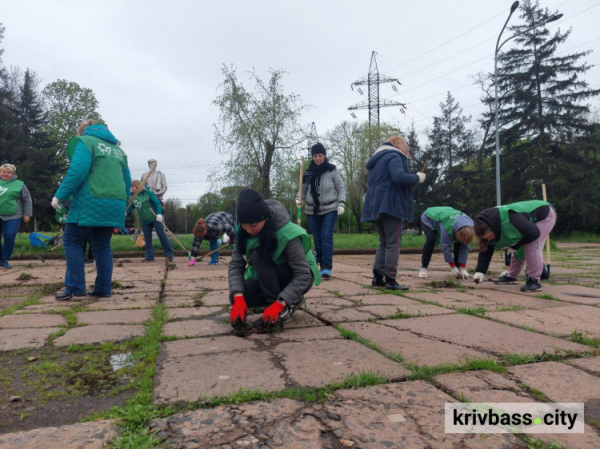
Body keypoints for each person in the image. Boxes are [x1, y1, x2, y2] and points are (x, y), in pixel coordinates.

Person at [51, 120, 131, 300]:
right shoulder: (119, 151)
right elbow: (127, 180)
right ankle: (103, 289)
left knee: (72, 241)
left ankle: (74, 288)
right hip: (115, 202)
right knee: (103, 246)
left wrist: (60, 195)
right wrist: (123, 205)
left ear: (83, 131)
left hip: (90, 199)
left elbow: (77, 171)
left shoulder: (85, 142)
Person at [228, 189, 320, 331]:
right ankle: (284, 300)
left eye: (253, 225)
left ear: (265, 219)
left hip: (296, 276)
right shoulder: (244, 232)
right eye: (245, 225)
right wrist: (238, 297)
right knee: (239, 295)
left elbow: (302, 275)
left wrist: (278, 304)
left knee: (259, 256)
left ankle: (283, 305)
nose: (249, 230)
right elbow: (235, 265)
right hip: (269, 276)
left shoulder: (287, 232)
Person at [361, 136, 425, 290]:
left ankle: (378, 277)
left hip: (375, 204)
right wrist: (417, 177)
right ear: (401, 147)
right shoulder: (394, 155)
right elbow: (398, 176)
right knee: (394, 242)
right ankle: (390, 279)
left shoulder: (377, 160)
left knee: (384, 241)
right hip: (391, 204)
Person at [472, 200, 556, 292]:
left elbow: (534, 233)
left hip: (544, 214)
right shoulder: (486, 227)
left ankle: (534, 280)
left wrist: (516, 246)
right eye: (486, 239)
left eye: (490, 236)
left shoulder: (510, 218)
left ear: (494, 228)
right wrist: (480, 271)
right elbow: (486, 249)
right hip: (526, 223)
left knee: (530, 244)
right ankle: (511, 276)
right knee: (518, 243)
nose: (489, 240)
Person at [296, 143, 346, 280]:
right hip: (312, 210)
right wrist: (298, 199)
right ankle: (321, 266)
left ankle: (327, 267)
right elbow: (303, 190)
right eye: (315, 156)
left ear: (324, 156)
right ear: (312, 157)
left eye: (320, 155)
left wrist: (341, 203)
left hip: (330, 208)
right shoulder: (307, 173)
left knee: (326, 236)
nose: (317, 158)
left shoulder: (332, 170)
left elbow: (341, 188)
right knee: (317, 239)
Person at [418, 207, 475, 279]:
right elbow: (446, 247)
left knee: (459, 242)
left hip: (446, 214)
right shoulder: (447, 228)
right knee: (431, 240)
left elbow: (465, 247)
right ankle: (424, 267)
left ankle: (459, 268)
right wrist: (452, 266)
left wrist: (463, 267)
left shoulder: (470, 225)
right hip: (429, 216)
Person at [127, 180, 174, 262]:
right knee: (147, 238)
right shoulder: (134, 197)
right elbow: (130, 208)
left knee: (161, 235)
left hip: (155, 218)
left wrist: (159, 214)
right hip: (145, 220)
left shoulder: (149, 193)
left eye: (132, 187)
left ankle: (169, 254)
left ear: (137, 187)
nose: (131, 189)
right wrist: (124, 212)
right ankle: (149, 257)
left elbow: (157, 203)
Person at [0, 164, 32, 269]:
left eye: (8, 172)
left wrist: (27, 213)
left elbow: (27, 199)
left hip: (13, 215)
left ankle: (4, 258)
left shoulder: (19, 184)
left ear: (13, 174)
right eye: (3, 172)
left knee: (9, 235)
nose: (5, 174)